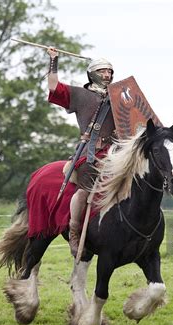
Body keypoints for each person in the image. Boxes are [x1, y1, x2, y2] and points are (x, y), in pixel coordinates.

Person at [46, 47, 117, 257]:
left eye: (110, 72)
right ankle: (75, 232)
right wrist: (53, 60)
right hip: (91, 153)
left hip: (116, 152)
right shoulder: (80, 94)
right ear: (93, 74)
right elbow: (53, 87)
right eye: (103, 71)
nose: (107, 75)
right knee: (85, 189)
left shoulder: (119, 97)